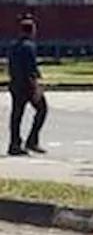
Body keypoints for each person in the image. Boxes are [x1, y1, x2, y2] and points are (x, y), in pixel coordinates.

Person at [8, 15, 47, 157]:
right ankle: (32, 140)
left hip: (15, 84)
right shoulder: (29, 47)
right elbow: (31, 69)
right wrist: (36, 87)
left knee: (16, 115)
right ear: (32, 31)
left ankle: (14, 144)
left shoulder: (14, 46)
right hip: (27, 86)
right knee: (42, 109)